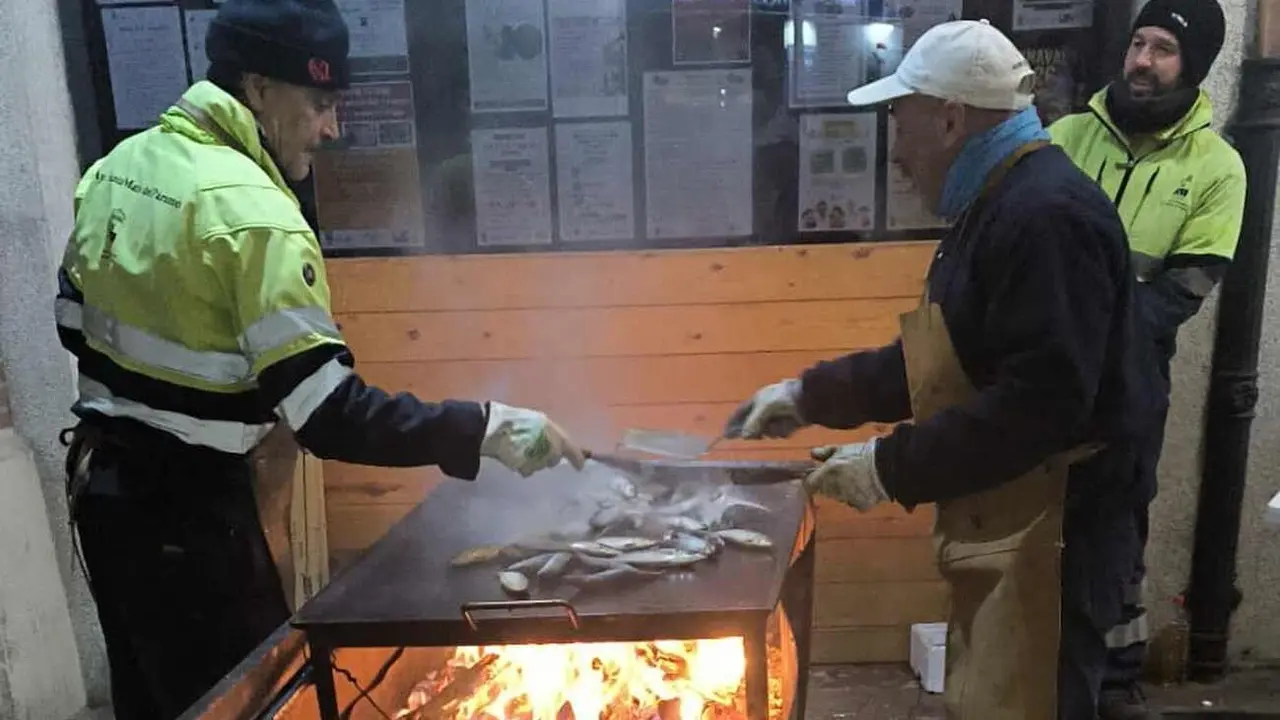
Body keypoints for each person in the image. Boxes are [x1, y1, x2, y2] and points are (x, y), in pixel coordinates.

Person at [53, 1, 585, 718]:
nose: (331, 129)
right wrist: (483, 427)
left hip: (106, 502)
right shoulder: (256, 216)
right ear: (259, 87)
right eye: (319, 104)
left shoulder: (116, 171)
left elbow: (72, 323)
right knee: (250, 702)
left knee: (154, 703)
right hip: (197, 523)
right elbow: (328, 415)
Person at [723, 19, 1164, 720]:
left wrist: (886, 467)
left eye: (902, 121)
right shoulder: (996, 202)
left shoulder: (1046, 216)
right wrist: (808, 394)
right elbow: (940, 360)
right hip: (1016, 519)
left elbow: (1041, 406)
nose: (896, 151)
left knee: (1038, 702)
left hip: (1061, 534)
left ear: (951, 118)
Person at [1048, 1, 1244, 717]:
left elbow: (1183, 290)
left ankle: (1115, 681)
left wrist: (1092, 346)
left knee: (1113, 532)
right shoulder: (1065, 139)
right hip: (1043, 376)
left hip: (1129, 382)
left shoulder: (1218, 167)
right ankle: (1037, 670)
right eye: (1139, 42)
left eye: (1164, 49)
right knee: (1033, 527)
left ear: (1192, 67)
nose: (1142, 61)